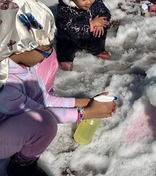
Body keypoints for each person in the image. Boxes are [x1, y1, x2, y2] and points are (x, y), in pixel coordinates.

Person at [0, 1, 116, 176]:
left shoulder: (22, 64)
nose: (48, 53)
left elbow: (43, 99)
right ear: (18, 46)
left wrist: (85, 102)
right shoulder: (6, 84)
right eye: (45, 48)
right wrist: (84, 113)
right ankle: (21, 165)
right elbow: (45, 111)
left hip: (8, 124)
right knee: (44, 123)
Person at [55, 0, 112, 71]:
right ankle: (65, 59)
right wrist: (91, 24)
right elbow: (69, 28)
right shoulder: (64, 9)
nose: (89, 2)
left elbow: (105, 12)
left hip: (89, 35)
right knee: (65, 42)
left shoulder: (96, 3)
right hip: (71, 38)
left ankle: (98, 50)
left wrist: (101, 21)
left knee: (100, 32)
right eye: (83, 0)